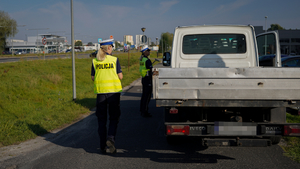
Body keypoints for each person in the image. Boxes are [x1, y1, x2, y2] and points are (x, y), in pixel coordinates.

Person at [91, 39, 123, 154]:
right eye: (112, 47)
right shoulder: (114, 60)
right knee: (114, 117)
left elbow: (93, 78)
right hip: (113, 93)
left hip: (100, 94)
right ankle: (110, 138)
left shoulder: (95, 61)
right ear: (109, 48)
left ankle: (102, 146)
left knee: (101, 120)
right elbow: (120, 76)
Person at [139, 45, 153, 117]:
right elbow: (151, 70)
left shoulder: (142, 59)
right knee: (147, 96)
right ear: (144, 52)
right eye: (148, 51)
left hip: (144, 78)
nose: (149, 52)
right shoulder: (147, 60)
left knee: (144, 95)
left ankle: (142, 109)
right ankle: (145, 111)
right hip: (148, 79)